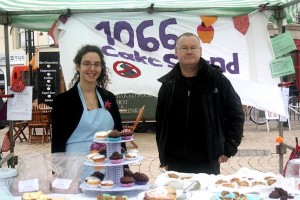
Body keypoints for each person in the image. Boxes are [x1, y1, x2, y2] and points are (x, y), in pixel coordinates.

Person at [155, 32, 245, 175]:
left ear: (200, 51)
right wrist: (163, 157)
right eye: (184, 48)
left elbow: (236, 114)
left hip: (209, 160)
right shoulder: (168, 86)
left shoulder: (217, 80)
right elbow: (161, 126)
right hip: (175, 161)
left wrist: (229, 148)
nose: (189, 51)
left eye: (193, 47)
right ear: (176, 52)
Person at [51, 44, 124, 154]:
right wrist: (57, 171)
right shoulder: (63, 101)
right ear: (78, 66)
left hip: (108, 165)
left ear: (101, 68)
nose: (92, 69)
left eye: (97, 64)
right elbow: (57, 143)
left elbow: (119, 137)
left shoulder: (109, 98)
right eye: (87, 64)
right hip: (75, 167)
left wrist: (124, 168)